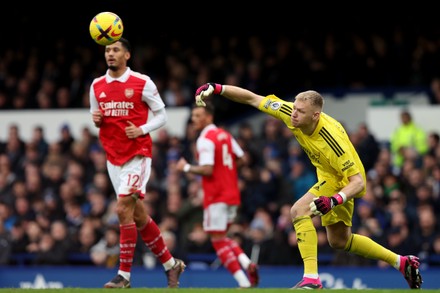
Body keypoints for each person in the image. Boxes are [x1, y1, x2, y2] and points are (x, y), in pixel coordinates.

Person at [194, 83, 423, 289]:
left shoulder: (332, 139)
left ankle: (312, 279)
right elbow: (253, 98)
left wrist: (334, 200)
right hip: (327, 175)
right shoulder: (289, 112)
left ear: (315, 115)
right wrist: (218, 88)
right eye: (294, 108)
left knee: (298, 210)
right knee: (340, 241)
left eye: (300, 112)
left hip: (344, 181)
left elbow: (359, 182)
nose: (293, 114)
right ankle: (401, 262)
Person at [89, 37, 185, 289]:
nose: (110, 54)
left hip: (137, 154)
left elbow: (162, 114)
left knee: (122, 210)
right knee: (139, 216)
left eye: (116, 50)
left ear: (127, 55)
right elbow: (97, 116)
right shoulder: (97, 85)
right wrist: (97, 120)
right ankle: (171, 264)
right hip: (113, 158)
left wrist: (141, 129)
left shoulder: (142, 82)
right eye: (108, 50)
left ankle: (124, 275)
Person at [176, 102, 260, 288]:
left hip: (216, 196)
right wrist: (227, 173)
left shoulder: (205, 139)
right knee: (223, 236)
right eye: (194, 116)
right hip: (231, 194)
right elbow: (243, 159)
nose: (194, 120)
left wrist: (186, 167)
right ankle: (247, 263)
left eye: (198, 116)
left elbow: (207, 169)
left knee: (217, 241)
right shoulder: (225, 135)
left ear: (209, 117)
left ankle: (243, 282)